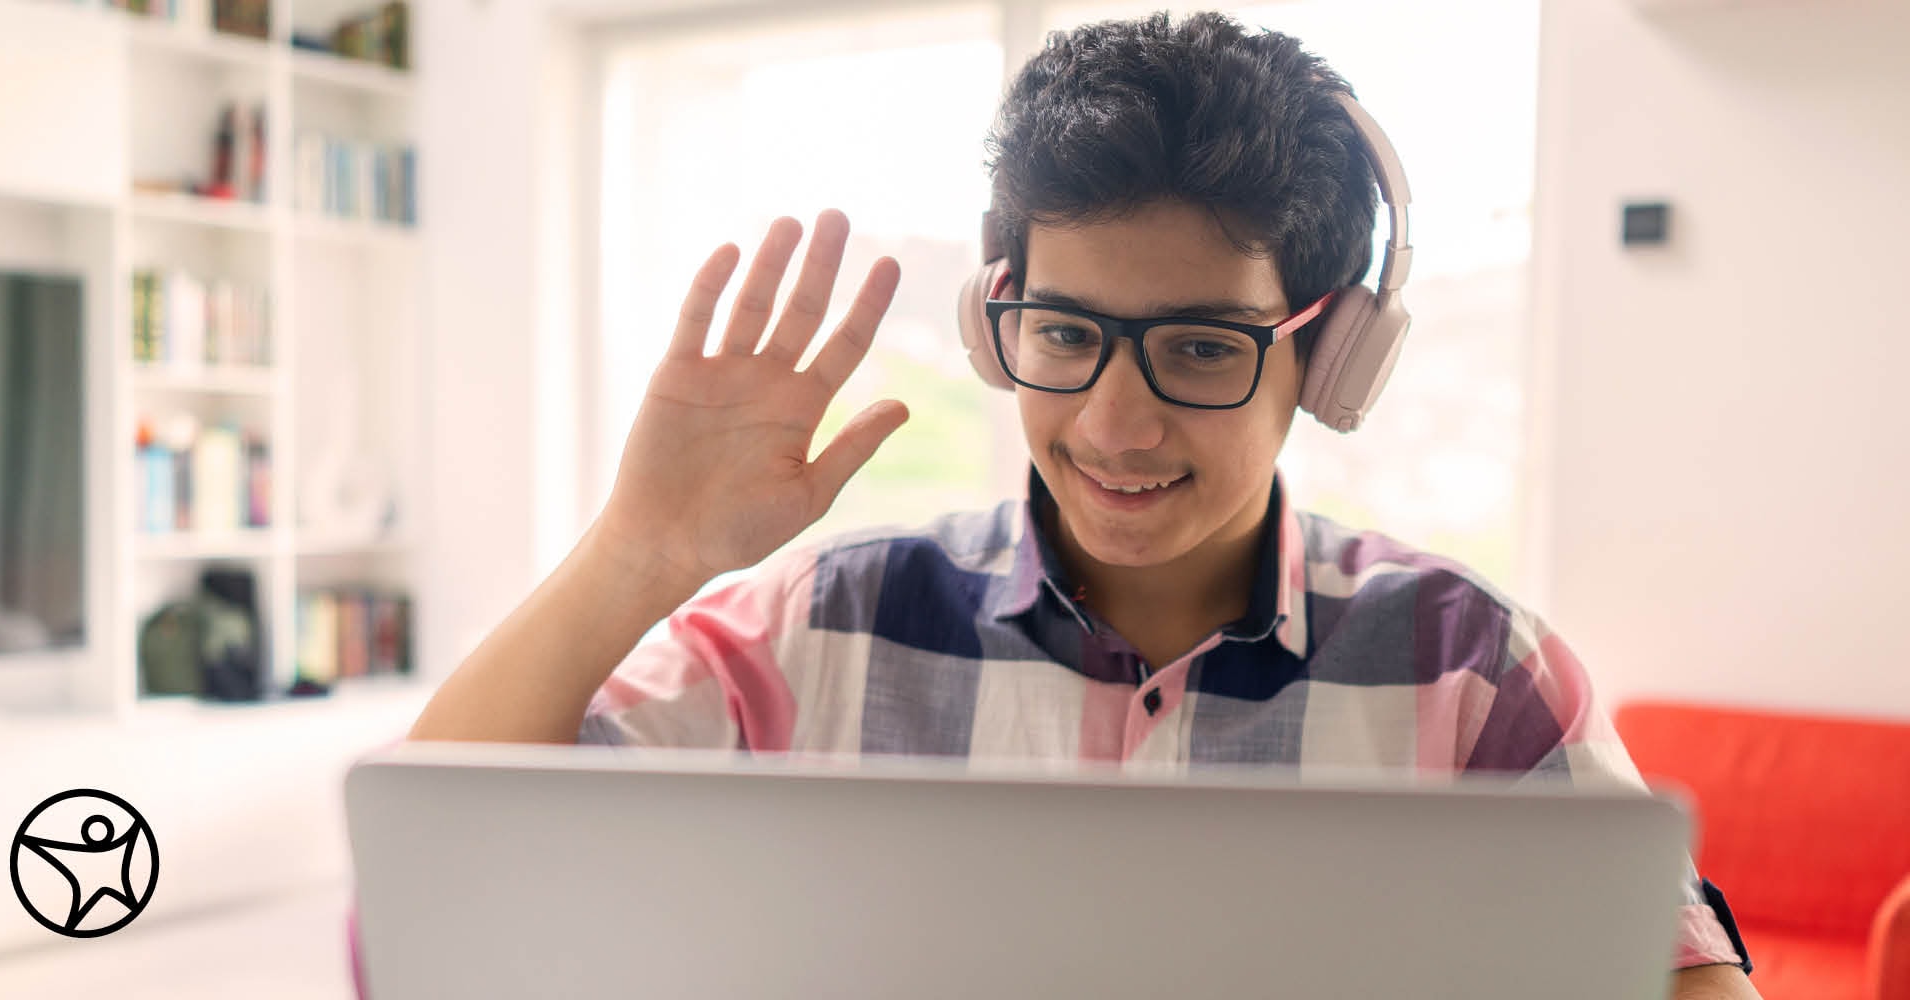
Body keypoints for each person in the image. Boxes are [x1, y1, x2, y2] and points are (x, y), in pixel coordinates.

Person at [408, 11, 1756, 997]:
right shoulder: (830, 624)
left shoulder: (1471, 670)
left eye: (1202, 347)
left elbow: (1687, 974)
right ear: (1000, 323)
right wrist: (639, 554)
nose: (1115, 421)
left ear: (1332, 357)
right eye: (1065, 334)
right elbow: (430, 865)